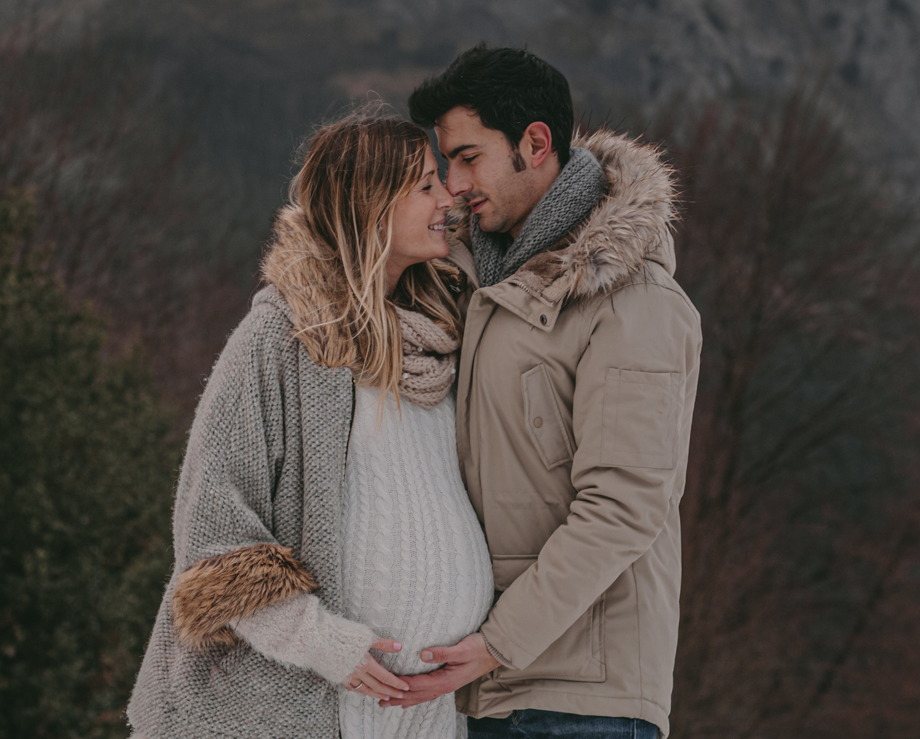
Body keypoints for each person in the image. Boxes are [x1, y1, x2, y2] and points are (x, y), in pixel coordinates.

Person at [128, 109, 495, 739]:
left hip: (423, 717)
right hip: (303, 705)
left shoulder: (442, 338)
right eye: (426, 184)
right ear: (370, 203)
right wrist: (327, 645)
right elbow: (212, 533)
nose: (449, 197)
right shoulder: (283, 339)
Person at [397, 46, 702, 739]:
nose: (454, 184)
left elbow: (624, 506)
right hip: (489, 686)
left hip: (583, 700)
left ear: (535, 144)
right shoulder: (481, 286)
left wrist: (496, 641)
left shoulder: (634, 303)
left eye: (469, 157)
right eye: (445, 164)